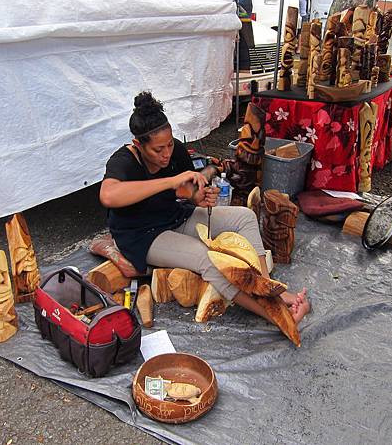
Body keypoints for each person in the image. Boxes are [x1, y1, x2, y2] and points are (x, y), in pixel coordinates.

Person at [99, 91, 311, 324]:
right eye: (158, 150)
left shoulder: (176, 151)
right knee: (207, 258)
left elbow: (186, 192)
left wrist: (198, 196)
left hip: (175, 218)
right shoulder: (124, 161)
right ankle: (274, 314)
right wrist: (170, 181)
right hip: (142, 236)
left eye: (169, 145)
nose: (166, 154)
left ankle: (267, 288)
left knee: (245, 217)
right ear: (138, 144)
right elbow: (108, 196)